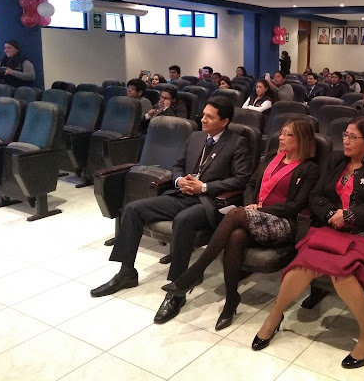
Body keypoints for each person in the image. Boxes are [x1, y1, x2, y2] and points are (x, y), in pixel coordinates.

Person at [253, 117, 364, 370]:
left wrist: (350, 216)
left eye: (353, 137)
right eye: (345, 135)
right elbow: (316, 196)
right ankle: (274, 317)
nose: (346, 140)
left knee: (342, 271)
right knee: (302, 265)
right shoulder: (336, 160)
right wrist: (332, 213)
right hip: (333, 230)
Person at [90, 96, 253, 325]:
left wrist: (204, 186)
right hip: (182, 195)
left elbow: (241, 179)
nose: (203, 119)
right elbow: (178, 165)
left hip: (210, 203)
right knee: (133, 209)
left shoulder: (237, 143)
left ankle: (177, 291)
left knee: (183, 220)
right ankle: (126, 272)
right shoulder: (196, 137)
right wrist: (179, 180)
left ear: (224, 121)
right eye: (204, 114)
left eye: (210, 117)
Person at [161, 119, 319, 330]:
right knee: (235, 237)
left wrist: (259, 210)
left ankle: (195, 271)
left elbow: (296, 205)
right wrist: (251, 204)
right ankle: (231, 300)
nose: (280, 137)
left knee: (236, 214)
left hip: (283, 223)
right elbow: (251, 184)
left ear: (301, 139)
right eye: (281, 132)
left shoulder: (310, 169)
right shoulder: (272, 157)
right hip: (255, 215)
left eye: (288, 134)